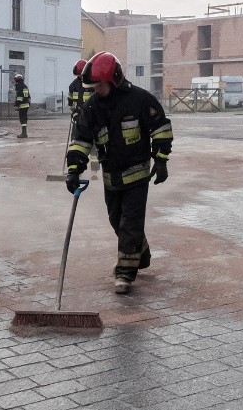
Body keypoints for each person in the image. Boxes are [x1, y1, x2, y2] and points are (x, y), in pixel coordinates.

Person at [66, 51, 173, 294]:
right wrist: (74, 168)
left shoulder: (140, 100)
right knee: (117, 221)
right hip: (110, 176)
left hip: (137, 175)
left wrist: (162, 159)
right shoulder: (92, 107)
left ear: (113, 80)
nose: (96, 90)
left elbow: (161, 129)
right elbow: (81, 139)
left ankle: (125, 274)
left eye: (99, 85)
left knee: (129, 223)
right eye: (93, 86)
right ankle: (140, 254)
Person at [14, 73, 30, 138]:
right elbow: (28, 96)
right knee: (24, 119)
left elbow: (20, 96)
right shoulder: (25, 86)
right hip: (26, 105)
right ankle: (24, 133)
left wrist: (16, 104)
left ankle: (24, 134)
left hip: (22, 105)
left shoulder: (19, 86)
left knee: (22, 119)